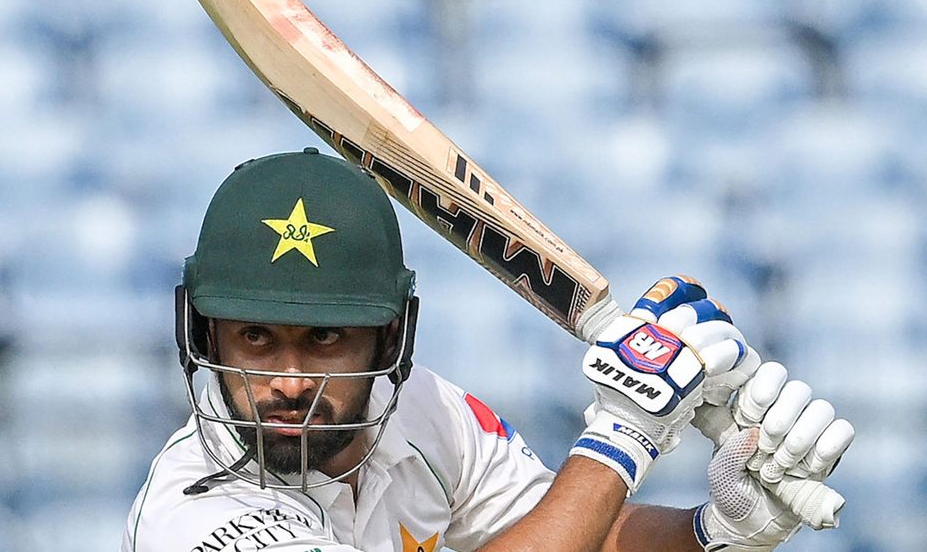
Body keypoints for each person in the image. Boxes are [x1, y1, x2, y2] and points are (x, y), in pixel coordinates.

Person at [124, 148, 852, 552]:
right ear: (202, 331)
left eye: (324, 337)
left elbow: (576, 535)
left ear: (388, 336)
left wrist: (715, 528)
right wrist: (623, 434)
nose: (288, 380)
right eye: (254, 336)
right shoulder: (197, 519)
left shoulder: (427, 415)